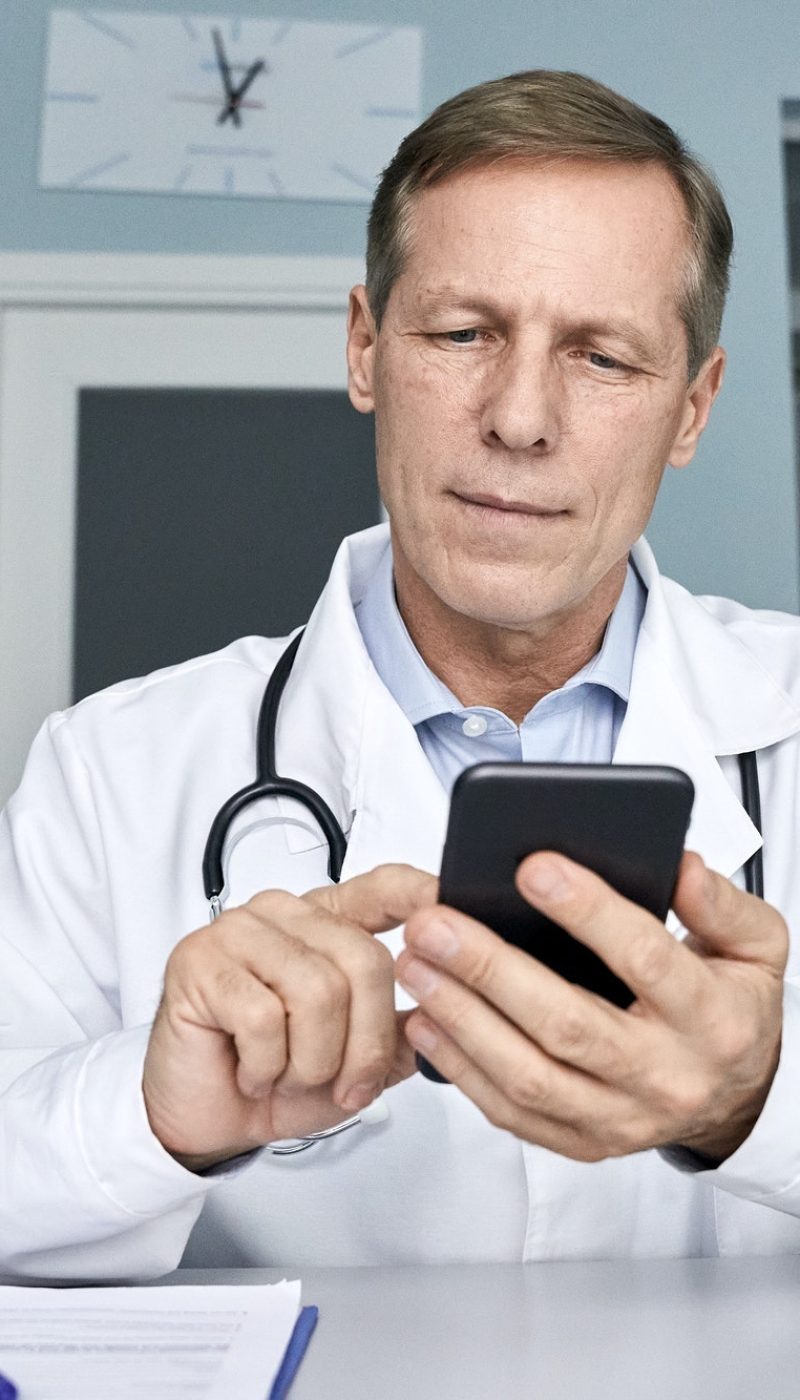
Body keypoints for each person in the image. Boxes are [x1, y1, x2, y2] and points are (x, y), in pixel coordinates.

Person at [2, 69, 800, 1283]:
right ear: (366, 346)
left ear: (690, 409)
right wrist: (155, 1113)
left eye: (600, 357)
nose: (519, 417)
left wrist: (753, 1105)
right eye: (462, 333)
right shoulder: (110, 768)